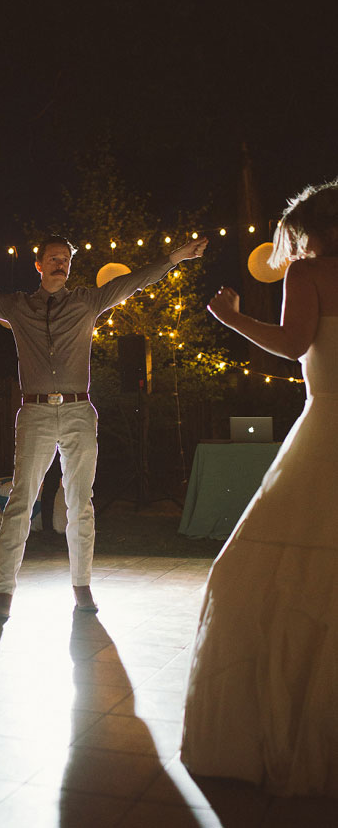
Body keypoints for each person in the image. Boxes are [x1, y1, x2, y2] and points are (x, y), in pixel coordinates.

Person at [0, 232, 207, 619]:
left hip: (78, 411)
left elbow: (134, 280)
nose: (60, 264)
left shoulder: (88, 301)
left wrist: (174, 257)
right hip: (36, 413)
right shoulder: (17, 307)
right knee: (21, 501)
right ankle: (4, 591)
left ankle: (82, 586)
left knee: (80, 502)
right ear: (38, 265)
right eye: (53, 258)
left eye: (65, 259)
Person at [181, 178, 338, 797]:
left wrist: (233, 317)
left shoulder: (310, 272)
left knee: (256, 571)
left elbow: (293, 343)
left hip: (327, 426)